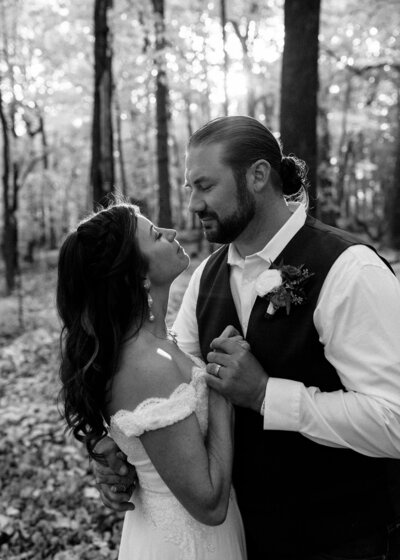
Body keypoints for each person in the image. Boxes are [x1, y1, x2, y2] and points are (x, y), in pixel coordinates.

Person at [94, 116, 400, 560]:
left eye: (205, 186)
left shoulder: (352, 271)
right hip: (243, 538)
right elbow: (174, 392)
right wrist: (123, 451)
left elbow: (394, 420)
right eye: (189, 189)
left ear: (257, 176)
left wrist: (265, 396)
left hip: (347, 540)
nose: (193, 204)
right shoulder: (205, 277)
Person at [56, 202, 247, 560]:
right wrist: (222, 394)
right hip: (189, 543)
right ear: (134, 274)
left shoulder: (159, 341)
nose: (172, 233)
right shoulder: (147, 365)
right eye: (156, 235)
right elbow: (208, 505)